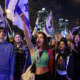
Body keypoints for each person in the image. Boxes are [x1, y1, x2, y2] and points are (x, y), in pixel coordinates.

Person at [20, 13, 53, 80]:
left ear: (45, 40)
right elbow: (26, 35)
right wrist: (23, 20)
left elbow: (52, 65)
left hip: (47, 76)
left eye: (41, 37)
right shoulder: (33, 49)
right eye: (37, 37)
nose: (39, 39)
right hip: (36, 77)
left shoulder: (48, 51)